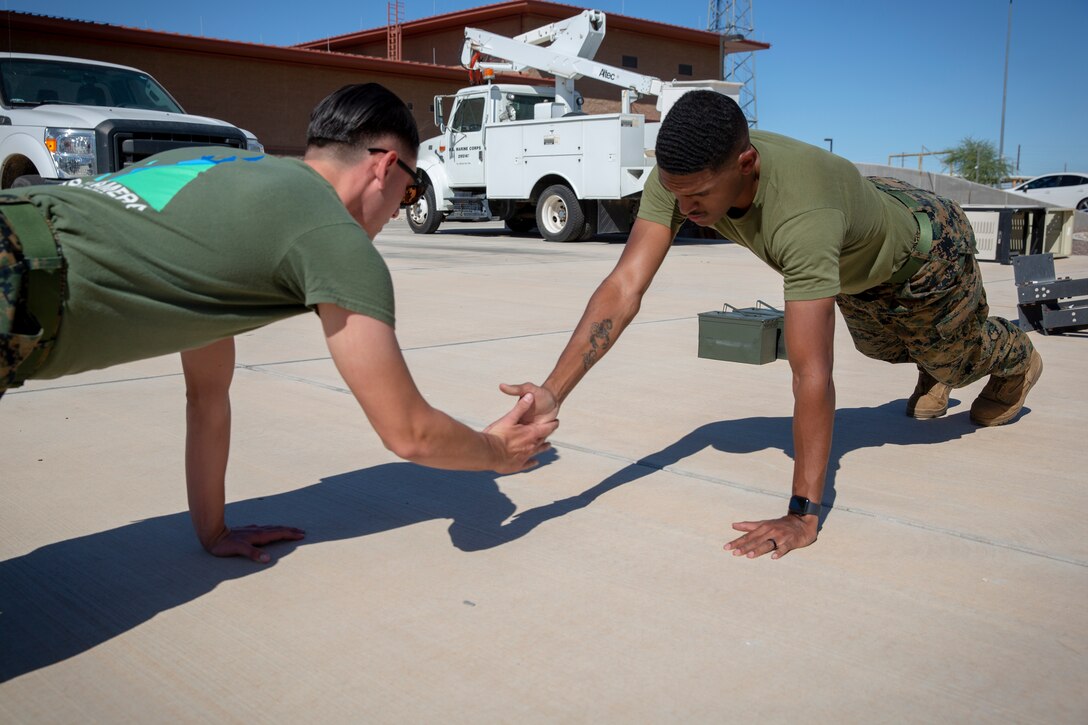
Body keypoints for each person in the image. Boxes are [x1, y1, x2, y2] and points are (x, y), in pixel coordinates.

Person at [0, 83, 557, 563]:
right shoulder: (332, 237)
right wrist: (494, 453)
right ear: (385, 165)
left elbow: (207, 394)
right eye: (409, 190)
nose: (399, 210)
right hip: (17, 280)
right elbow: (409, 433)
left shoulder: (218, 170)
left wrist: (213, 530)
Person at [501, 90, 1041, 560]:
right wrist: (553, 393)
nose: (684, 210)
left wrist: (803, 514)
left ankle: (1013, 358)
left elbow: (812, 375)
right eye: (676, 194)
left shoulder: (802, 218)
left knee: (957, 355)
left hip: (925, 252)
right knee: (881, 348)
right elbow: (624, 288)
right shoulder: (685, 172)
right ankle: (932, 357)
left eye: (698, 197)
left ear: (747, 164)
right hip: (857, 257)